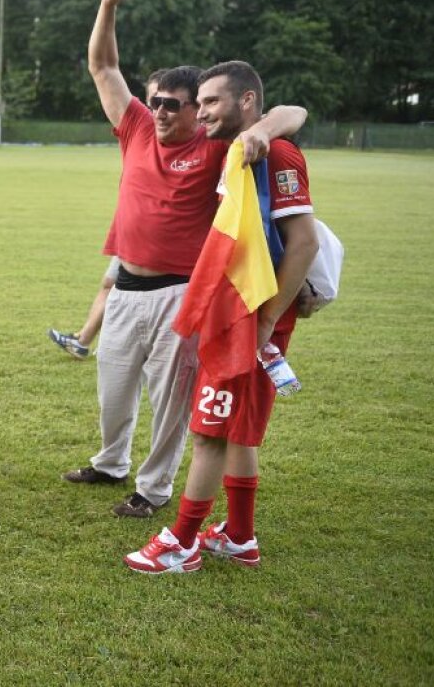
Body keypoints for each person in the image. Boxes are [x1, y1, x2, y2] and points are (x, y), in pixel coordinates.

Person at [64, 0, 307, 519]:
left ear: (198, 108)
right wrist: (108, 5)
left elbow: (295, 113)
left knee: (172, 403)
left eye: (173, 103)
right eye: (155, 101)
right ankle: (110, 462)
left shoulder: (219, 144)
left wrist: (265, 129)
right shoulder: (136, 128)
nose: (161, 110)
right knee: (114, 388)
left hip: (182, 291)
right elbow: (103, 67)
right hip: (124, 285)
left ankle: (152, 490)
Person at [125, 61, 319, 573]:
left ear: (247, 102)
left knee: (209, 429)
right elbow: (289, 112)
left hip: (250, 316)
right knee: (235, 431)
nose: (201, 109)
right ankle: (239, 537)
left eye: (211, 101)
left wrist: (265, 321)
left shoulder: (274, 152)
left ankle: (182, 542)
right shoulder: (239, 150)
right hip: (238, 310)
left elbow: (304, 242)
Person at [49, 72, 164, 359]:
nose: (156, 110)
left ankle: (88, 340)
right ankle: (84, 338)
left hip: (155, 241)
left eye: (164, 102)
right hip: (134, 233)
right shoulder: (142, 132)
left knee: (118, 286)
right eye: (152, 102)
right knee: (111, 284)